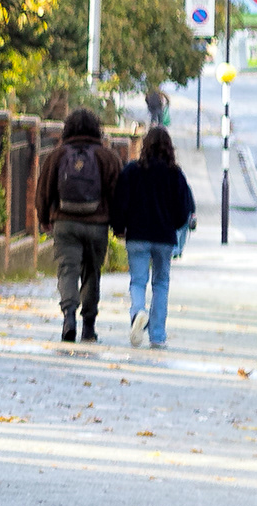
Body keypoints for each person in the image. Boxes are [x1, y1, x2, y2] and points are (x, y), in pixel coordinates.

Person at [30, 106, 123, 344]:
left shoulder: (57, 155)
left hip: (65, 223)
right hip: (97, 225)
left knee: (67, 270)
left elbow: (44, 189)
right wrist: (118, 225)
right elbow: (118, 194)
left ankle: (69, 316)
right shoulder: (107, 157)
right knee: (92, 273)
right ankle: (88, 326)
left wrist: (44, 218)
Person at [109, 124, 197, 348]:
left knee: (138, 281)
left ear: (144, 145)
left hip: (137, 235)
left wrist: (119, 227)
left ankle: (138, 311)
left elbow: (120, 202)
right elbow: (184, 209)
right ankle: (157, 335)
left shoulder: (132, 171)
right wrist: (173, 226)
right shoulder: (175, 174)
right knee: (161, 284)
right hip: (164, 237)